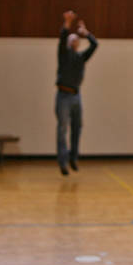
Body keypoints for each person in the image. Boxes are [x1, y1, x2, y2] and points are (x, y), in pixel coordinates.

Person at [55, 10, 98, 175]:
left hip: (76, 95)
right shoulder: (63, 55)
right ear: (68, 43)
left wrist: (86, 33)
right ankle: (63, 162)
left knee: (77, 127)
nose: (75, 40)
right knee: (62, 128)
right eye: (72, 39)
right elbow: (62, 36)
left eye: (76, 39)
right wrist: (67, 22)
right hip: (63, 95)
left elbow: (95, 45)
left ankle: (73, 157)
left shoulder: (81, 57)